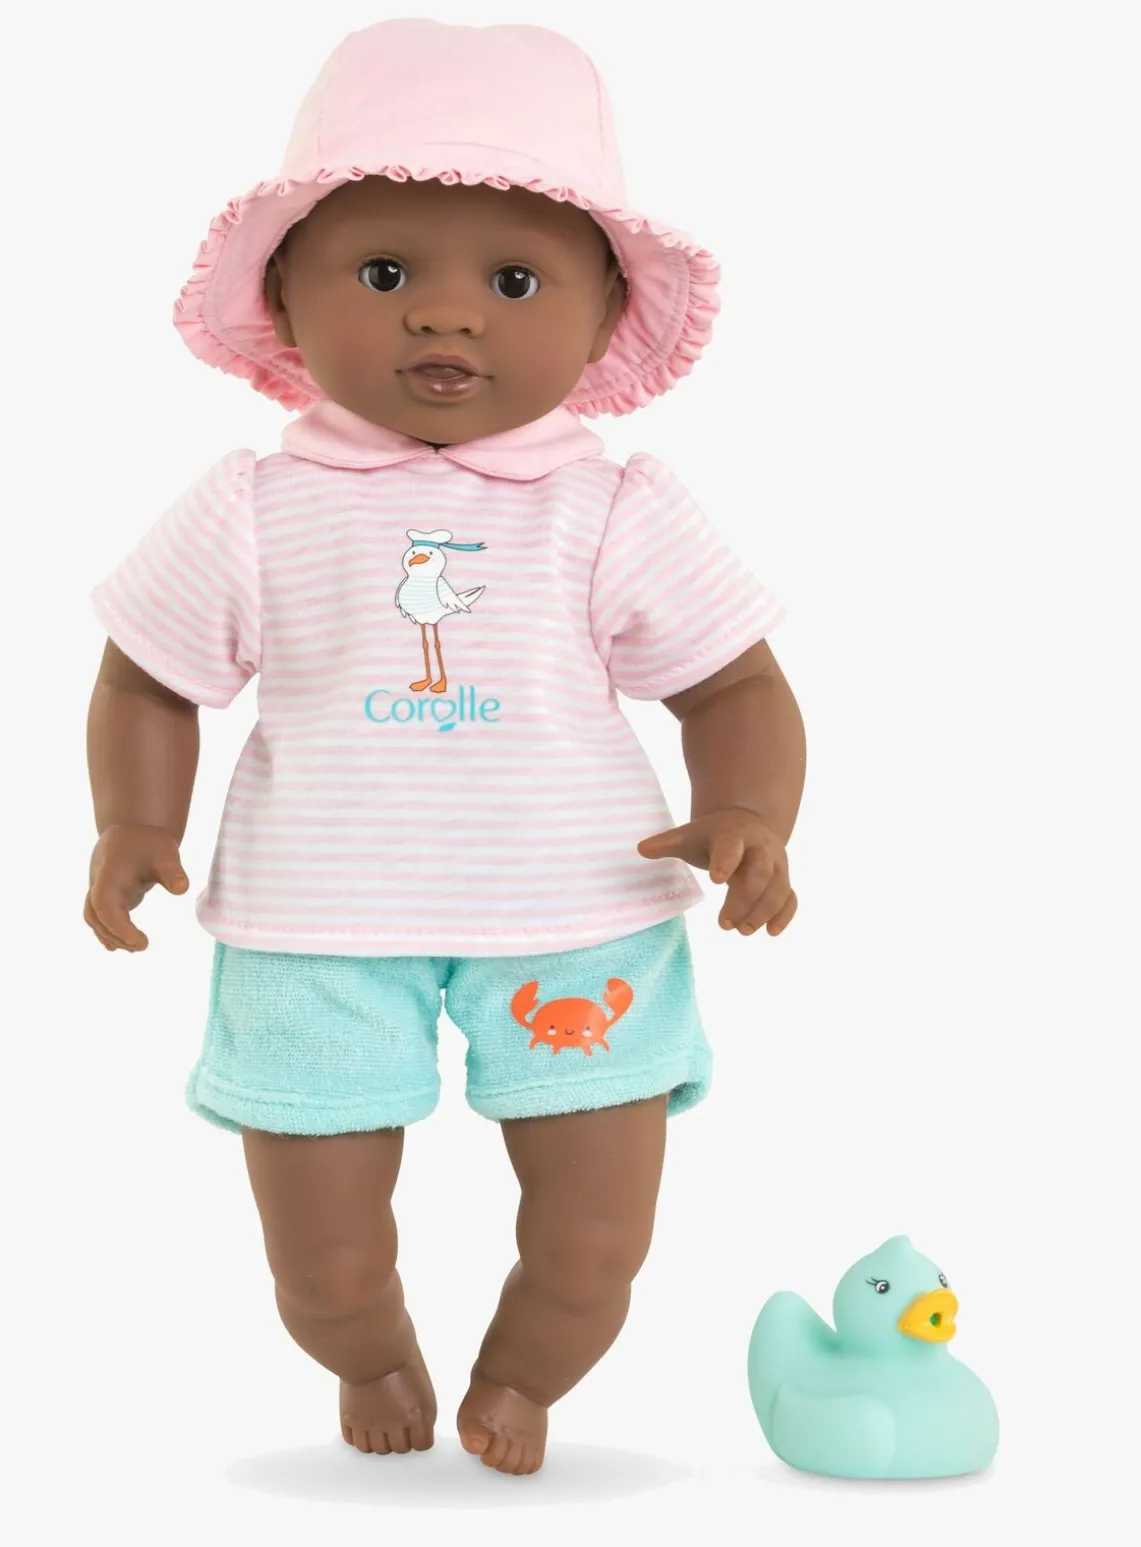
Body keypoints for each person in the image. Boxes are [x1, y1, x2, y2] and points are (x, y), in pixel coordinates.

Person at [85, 18, 806, 1477]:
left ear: (602, 320)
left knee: (596, 1240)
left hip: (583, 914)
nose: (447, 319)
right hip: (313, 932)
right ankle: (369, 1351)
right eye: (385, 273)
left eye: (515, 281)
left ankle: (527, 1376)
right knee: (322, 1258)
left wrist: (748, 808)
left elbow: (735, 684)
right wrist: (133, 822)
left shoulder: (613, 508)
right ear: (286, 299)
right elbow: (148, 676)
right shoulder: (251, 506)